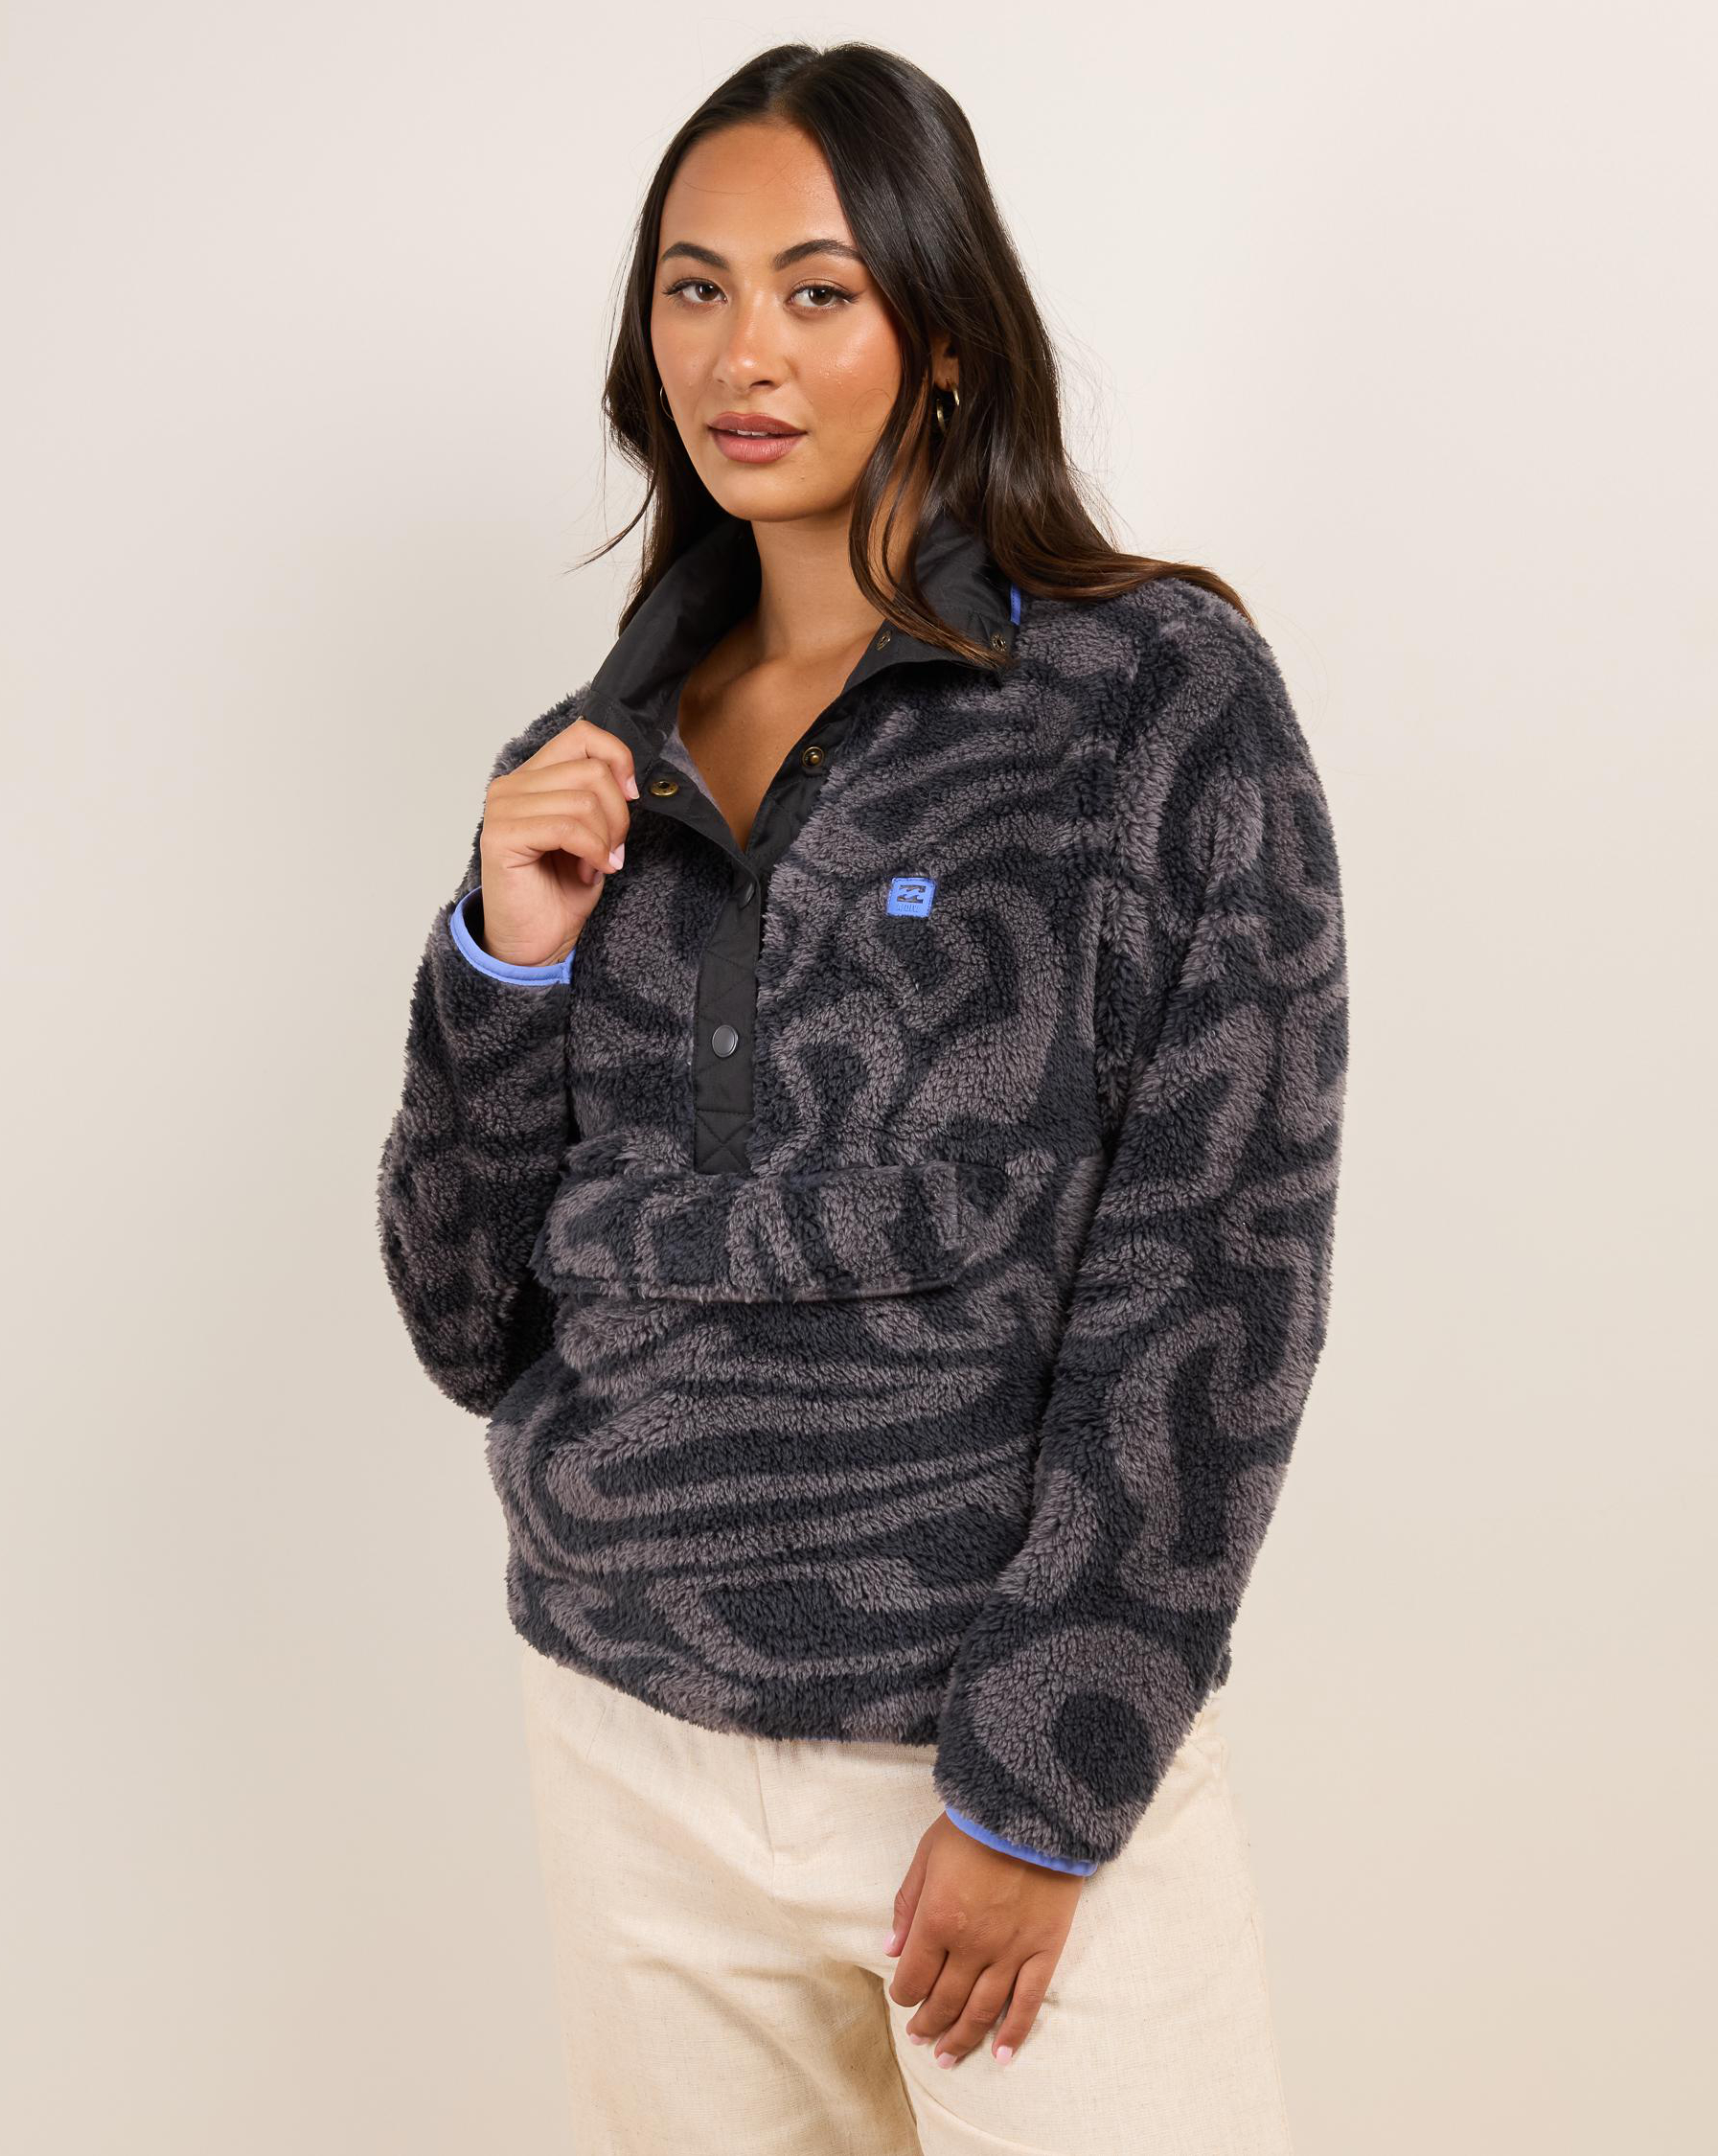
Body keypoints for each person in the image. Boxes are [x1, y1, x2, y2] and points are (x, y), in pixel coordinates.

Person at [376, 38, 1347, 2156]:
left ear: (942, 334)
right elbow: (465, 1321)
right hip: (627, 1745)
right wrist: (505, 960)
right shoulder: (586, 760)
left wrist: (1046, 1780)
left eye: (818, 290)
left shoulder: (1152, 702)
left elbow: (1223, 1266)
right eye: (694, 287)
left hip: (987, 1761)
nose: (744, 352)